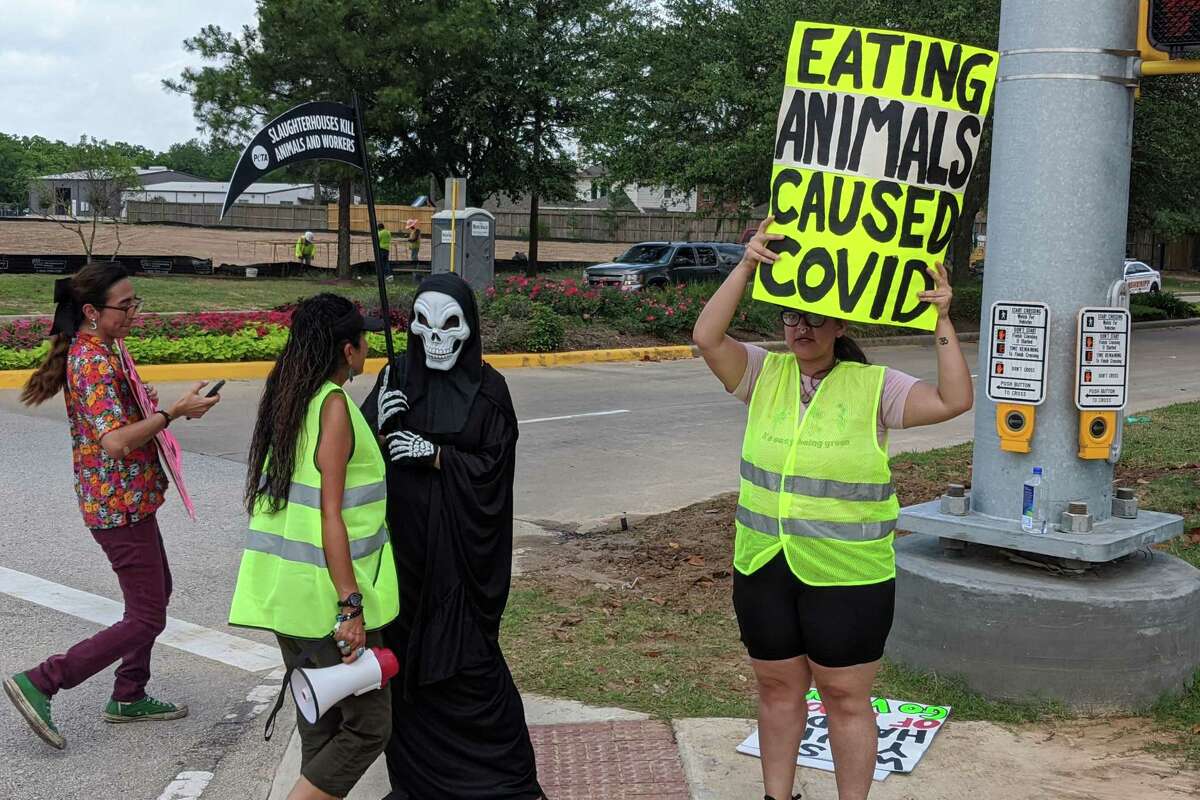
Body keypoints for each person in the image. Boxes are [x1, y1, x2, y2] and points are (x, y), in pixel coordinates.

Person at [692, 218, 973, 800]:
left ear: (840, 322)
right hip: (764, 564)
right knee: (776, 688)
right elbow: (707, 337)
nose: (802, 328)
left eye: (816, 316)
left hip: (848, 576)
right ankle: (778, 796)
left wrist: (942, 318)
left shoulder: (875, 387)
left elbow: (953, 399)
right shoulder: (762, 374)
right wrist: (747, 264)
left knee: (845, 697)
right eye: (792, 316)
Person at [5, 263, 219, 750]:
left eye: (134, 303)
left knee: (156, 593)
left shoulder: (109, 349)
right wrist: (172, 413)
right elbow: (116, 442)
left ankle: (128, 694)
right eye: (125, 306)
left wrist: (157, 408)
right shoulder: (92, 361)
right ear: (90, 312)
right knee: (147, 615)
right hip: (116, 505)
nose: (133, 314)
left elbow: (122, 423)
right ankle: (43, 680)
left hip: (132, 498)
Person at [362, 273, 543, 800]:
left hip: (461, 563)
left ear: (468, 329)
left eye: (450, 325)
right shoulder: (395, 374)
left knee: (473, 670)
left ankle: (503, 786)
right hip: (403, 559)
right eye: (423, 324)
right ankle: (418, 785)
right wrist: (377, 420)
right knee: (408, 670)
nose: (435, 337)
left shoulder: (489, 390)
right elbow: (357, 458)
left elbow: (494, 469)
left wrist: (437, 455)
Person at [231, 293, 399, 800]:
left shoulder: (289, 396)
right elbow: (331, 514)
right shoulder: (333, 406)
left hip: (288, 597)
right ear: (348, 350)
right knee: (369, 726)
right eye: (364, 338)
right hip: (327, 601)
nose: (369, 345)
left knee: (321, 723)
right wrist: (350, 605)